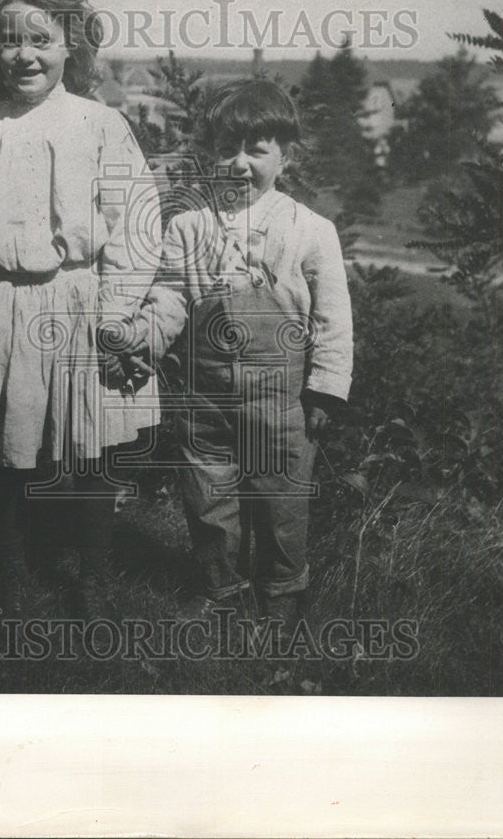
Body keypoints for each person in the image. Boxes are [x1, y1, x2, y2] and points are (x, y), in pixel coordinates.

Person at [0, 0, 159, 618]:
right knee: (8, 448)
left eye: (41, 39)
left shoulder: (99, 124)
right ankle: (4, 578)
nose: (24, 55)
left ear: (68, 46)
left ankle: (92, 580)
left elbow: (136, 222)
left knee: (89, 452)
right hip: (5, 303)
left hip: (85, 299)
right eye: (10, 40)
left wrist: (117, 310)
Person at [122, 79, 353, 632]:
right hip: (206, 393)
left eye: (257, 150)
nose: (239, 163)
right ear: (207, 154)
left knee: (280, 501)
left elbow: (333, 317)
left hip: (283, 397)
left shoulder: (311, 231)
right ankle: (219, 588)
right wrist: (146, 338)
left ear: (286, 156)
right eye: (227, 148)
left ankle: (280, 594)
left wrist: (326, 386)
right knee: (207, 496)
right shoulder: (187, 225)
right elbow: (171, 295)